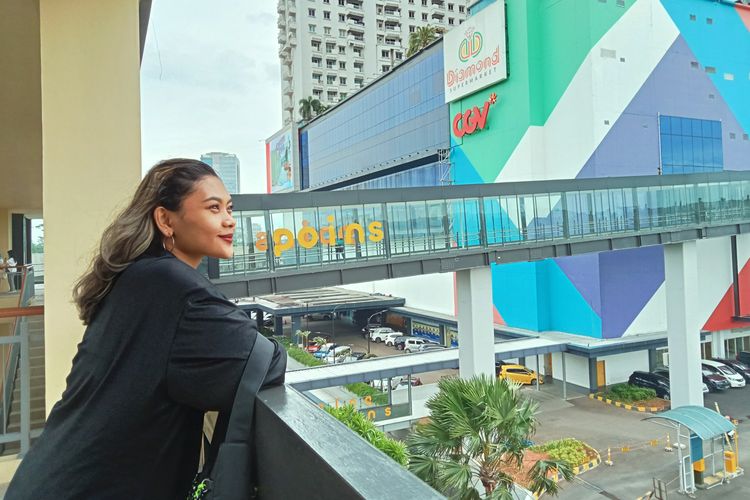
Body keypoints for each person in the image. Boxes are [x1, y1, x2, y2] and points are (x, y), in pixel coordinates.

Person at [6, 159, 286, 499]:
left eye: (229, 208)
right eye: (213, 208)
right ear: (166, 220)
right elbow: (262, 362)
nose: (229, 220)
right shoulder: (172, 286)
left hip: (51, 479)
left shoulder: (138, 277)